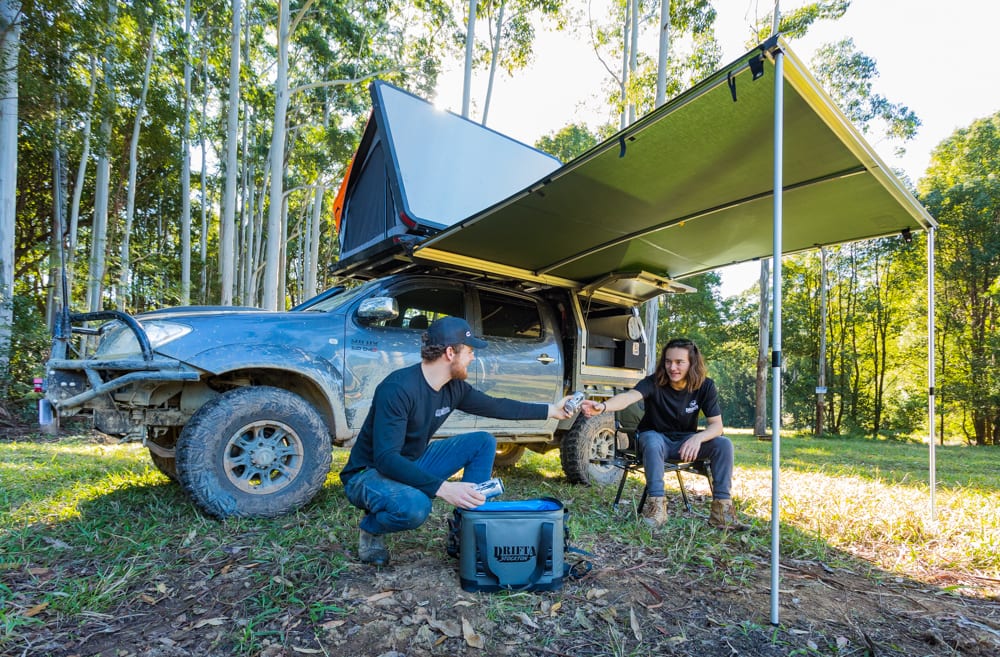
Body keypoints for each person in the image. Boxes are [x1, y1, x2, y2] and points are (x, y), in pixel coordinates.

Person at [340, 316, 575, 565]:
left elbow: (497, 406)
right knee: (415, 507)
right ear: (450, 352)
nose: (473, 358)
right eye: (470, 351)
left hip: (412, 461)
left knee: (483, 442)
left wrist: (552, 410)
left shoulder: (454, 388)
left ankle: (470, 529)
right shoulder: (398, 389)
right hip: (368, 473)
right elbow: (386, 459)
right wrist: (445, 488)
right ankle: (371, 528)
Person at [580, 338, 748, 531]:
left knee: (723, 444)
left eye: (679, 362)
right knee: (652, 439)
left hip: (685, 443)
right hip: (656, 441)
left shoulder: (705, 386)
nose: (672, 367)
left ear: (692, 363)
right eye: (668, 361)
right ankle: (657, 508)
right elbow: (628, 397)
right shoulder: (654, 382)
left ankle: (722, 513)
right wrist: (603, 406)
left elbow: (716, 426)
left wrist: (697, 438)